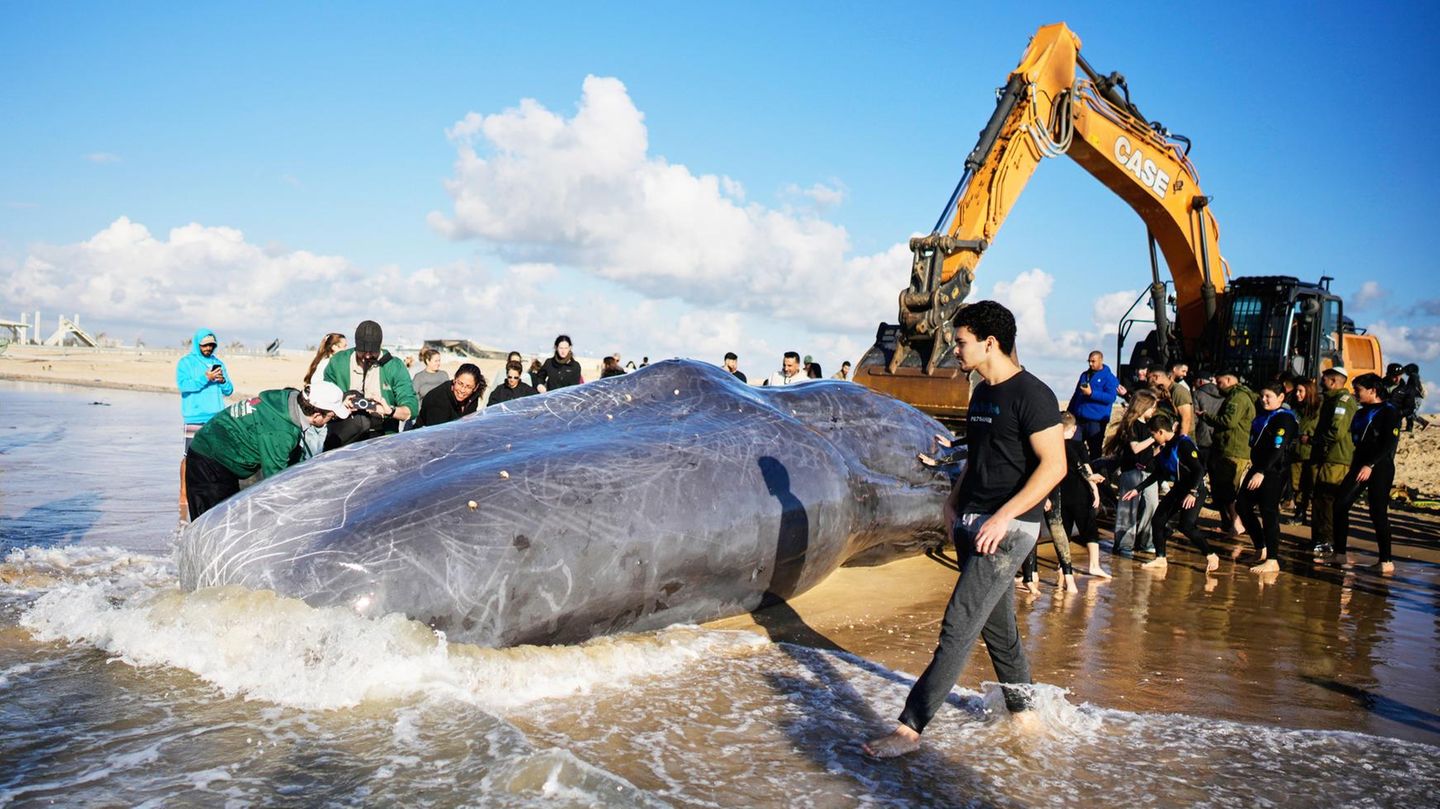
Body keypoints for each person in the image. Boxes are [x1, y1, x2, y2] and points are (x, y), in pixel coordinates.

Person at [863, 301, 1064, 758]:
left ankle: (910, 729)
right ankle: (1026, 714)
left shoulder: (1034, 395)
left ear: (990, 343)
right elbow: (979, 457)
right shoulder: (980, 394)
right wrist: (954, 502)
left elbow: (1054, 467)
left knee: (957, 624)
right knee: (998, 628)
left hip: (1008, 529)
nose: (954, 349)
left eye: (960, 341)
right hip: (972, 521)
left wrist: (1004, 516)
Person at [185, 381, 350, 519]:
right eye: (332, 416)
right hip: (209, 460)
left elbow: (292, 459)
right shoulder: (281, 432)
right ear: (317, 414)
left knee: (228, 518)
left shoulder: (288, 399)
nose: (330, 421)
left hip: (222, 454)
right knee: (211, 523)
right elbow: (275, 483)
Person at [1121, 412, 1220, 573]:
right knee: (1158, 521)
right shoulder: (1165, 449)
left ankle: (1211, 554)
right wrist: (1137, 489)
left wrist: (1192, 492)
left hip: (1195, 489)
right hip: (1179, 489)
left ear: (1160, 431)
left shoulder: (1183, 444)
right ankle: (1161, 558)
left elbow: (1199, 469)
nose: (1153, 438)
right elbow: (1158, 474)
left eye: (1153, 435)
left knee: (1186, 525)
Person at [1332, 373, 1401, 573]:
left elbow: (1389, 443)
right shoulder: (1361, 412)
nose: (1356, 393)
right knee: (1341, 503)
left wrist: (1370, 464)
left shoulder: (1389, 411)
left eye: (1359, 390)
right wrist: (1358, 464)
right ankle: (1340, 552)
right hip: (1359, 464)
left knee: (1377, 512)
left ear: (1373, 390)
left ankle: (1386, 560)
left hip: (1379, 466)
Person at [321, 319, 419, 448]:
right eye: (362, 351)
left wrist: (389, 411)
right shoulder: (338, 362)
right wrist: (340, 403)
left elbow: (411, 409)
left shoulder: (394, 366)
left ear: (379, 346)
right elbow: (323, 400)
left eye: (372, 351)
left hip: (382, 436)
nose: (367, 356)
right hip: (344, 434)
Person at [1236, 383, 1297, 573]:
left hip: (1273, 471)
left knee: (1269, 512)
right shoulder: (1263, 415)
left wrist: (1262, 471)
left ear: (1280, 398)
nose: (1264, 400)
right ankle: (1260, 547)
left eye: (1268, 396)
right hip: (1258, 467)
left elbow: (1278, 448)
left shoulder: (1285, 418)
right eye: (1262, 396)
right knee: (1242, 506)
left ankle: (1272, 559)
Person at [1310, 367, 1358, 560]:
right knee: (1321, 500)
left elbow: (1336, 432)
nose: (1321, 382)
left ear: (1333, 381)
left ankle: (1327, 541)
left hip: (1336, 458)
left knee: (1327, 499)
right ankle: (1322, 538)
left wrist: (1316, 441)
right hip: (1329, 457)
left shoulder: (1342, 402)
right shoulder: (1331, 400)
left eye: (1324, 379)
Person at [1104, 389, 1160, 556]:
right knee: (1127, 509)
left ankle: (1145, 541)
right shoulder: (1132, 425)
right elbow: (1135, 448)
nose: (1154, 410)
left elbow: (1149, 452)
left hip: (1149, 471)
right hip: (1132, 471)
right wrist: (1153, 438)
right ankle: (1124, 544)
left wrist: (1160, 446)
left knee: (1151, 505)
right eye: (1152, 407)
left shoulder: (1151, 426)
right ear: (1143, 406)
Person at [1201, 370, 1256, 535]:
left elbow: (1229, 421)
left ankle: (1236, 523)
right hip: (1231, 449)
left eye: (1220, 382)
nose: (1218, 386)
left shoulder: (1237, 397)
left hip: (1234, 450)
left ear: (1229, 379)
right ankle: (1231, 522)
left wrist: (1207, 416)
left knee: (1229, 490)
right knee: (1225, 489)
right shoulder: (1238, 396)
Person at [1059, 413, 1110, 578]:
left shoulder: (1054, 446)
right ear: (1073, 429)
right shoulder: (1078, 445)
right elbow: (1086, 469)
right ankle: (1094, 565)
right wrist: (1095, 490)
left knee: (1063, 530)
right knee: (1089, 528)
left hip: (1061, 493)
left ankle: (1062, 565)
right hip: (1080, 492)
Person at [176, 328, 235, 450]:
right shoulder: (186, 362)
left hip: (215, 417)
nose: (208, 348)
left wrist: (222, 381)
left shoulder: (218, 363)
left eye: (211, 345)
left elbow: (229, 391)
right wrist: (206, 378)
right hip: (194, 417)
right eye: (205, 345)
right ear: (198, 344)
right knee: (190, 456)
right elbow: (183, 386)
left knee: (215, 456)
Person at [1066, 350, 1120, 460]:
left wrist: (1092, 394)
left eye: (1093, 361)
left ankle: (1096, 472)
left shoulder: (1109, 378)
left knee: (1095, 450)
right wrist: (1069, 412)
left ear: (1101, 360)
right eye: (1089, 361)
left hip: (1096, 421)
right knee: (1073, 446)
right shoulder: (1084, 375)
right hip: (1079, 419)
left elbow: (1111, 397)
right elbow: (1076, 395)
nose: (1091, 364)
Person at [1286, 378, 1321, 524]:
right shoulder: (1295, 409)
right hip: (1297, 452)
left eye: (1301, 391)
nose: (1297, 394)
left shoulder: (1319, 409)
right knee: (1296, 484)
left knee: (1312, 485)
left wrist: (1312, 440)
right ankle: (1300, 513)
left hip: (1312, 453)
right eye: (1296, 391)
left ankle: (1316, 517)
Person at [414, 364, 485, 428]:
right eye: (460, 383)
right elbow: (436, 434)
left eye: (468, 387)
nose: (462, 390)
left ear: (475, 387)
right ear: (454, 379)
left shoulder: (473, 397)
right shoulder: (437, 400)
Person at [1190, 370, 1224, 468]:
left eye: (1194, 382)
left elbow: (1194, 418)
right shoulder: (1223, 394)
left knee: (1200, 468)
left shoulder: (1197, 394)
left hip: (1202, 438)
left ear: (1200, 382)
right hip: (1218, 437)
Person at [1150, 367, 1194, 437]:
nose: (1147, 380)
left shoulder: (1179, 391)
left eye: (1148, 377)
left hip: (1184, 436)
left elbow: (1186, 420)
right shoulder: (1163, 390)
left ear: (1156, 377)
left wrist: (1181, 442)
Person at [1394, 362, 1429, 431]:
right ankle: (1409, 428)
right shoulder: (1414, 376)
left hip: (1415, 398)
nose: (1406, 373)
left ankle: (1424, 422)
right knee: (1409, 414)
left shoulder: (1413, 376)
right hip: (1414, 397)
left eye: (1407, 370)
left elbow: (1412, 388)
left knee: (1410, 413)